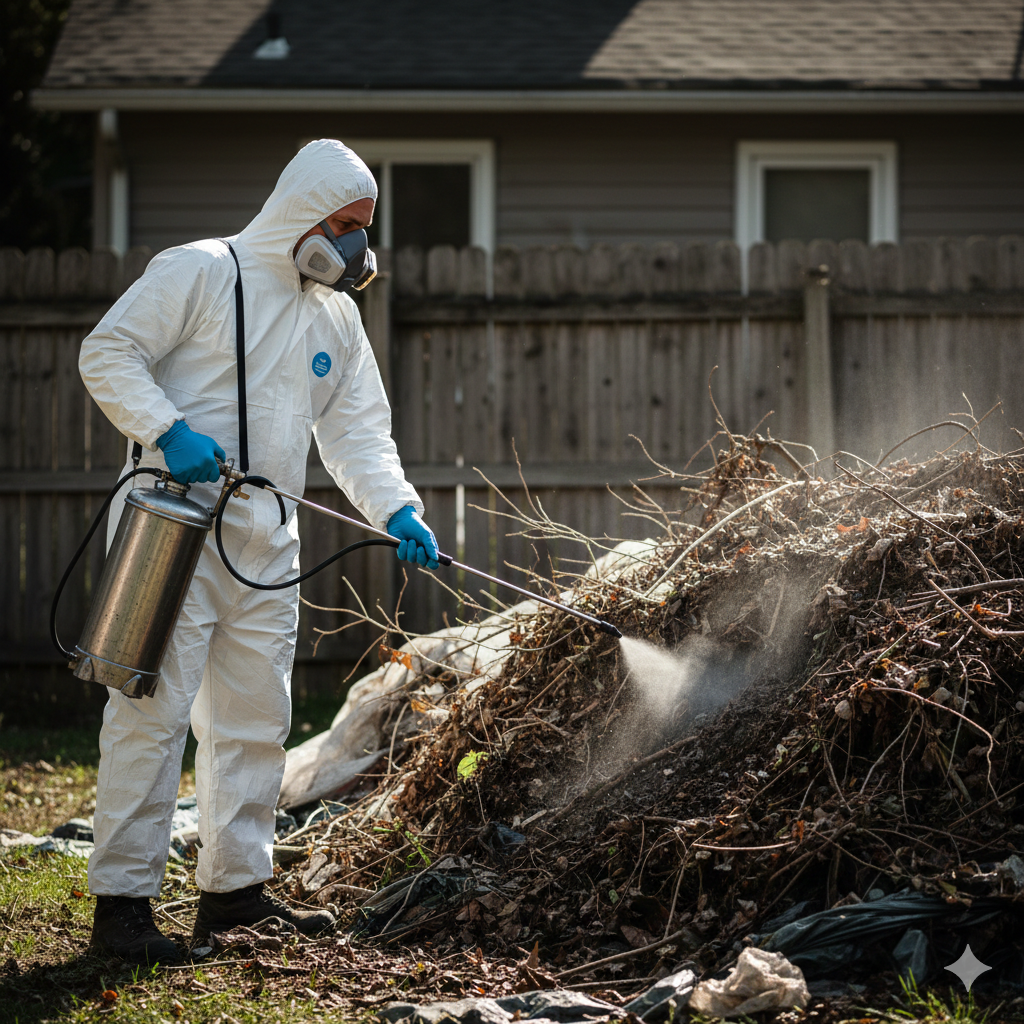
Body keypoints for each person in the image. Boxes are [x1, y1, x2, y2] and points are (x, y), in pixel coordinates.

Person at [78, 139, 439, 963]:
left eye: (363, 228)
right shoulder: (201, 271)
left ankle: (234, 897)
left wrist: (399, 508)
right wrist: (167, 431)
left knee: (254, 722)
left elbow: (356, 434)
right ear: (301, 209)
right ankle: (121, 913)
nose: (354, 244)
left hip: (265, 539)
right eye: (343, 223)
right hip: (169, 525)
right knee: (151, 714)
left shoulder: (336, 317)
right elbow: (107, 352)